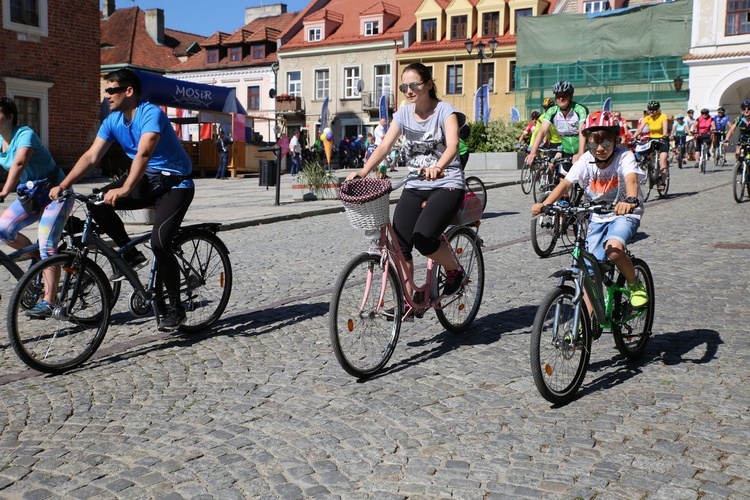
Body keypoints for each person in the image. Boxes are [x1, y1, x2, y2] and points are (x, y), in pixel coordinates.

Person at [49, 68, 195, 331]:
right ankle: (130, 254)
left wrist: (126, 188)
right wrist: (64, 183)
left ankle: (176, 308)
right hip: (147, 180)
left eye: (111, 90)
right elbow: (91, 157)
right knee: (97, 203)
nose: (106, 96)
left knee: (161, 244)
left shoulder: (150, 113)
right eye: (105, 91)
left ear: (129, 91)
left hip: (175, 184)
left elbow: (145, 151)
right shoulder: (112, 121)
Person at [347, 62, 466, 297]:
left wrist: (438, 166)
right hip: (415, 184)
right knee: (399, 244)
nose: (409, 91)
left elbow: (453, 144)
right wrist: (364, 170)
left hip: (446, 183)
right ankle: (410, 298)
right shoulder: (402, 115)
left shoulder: (445, 112)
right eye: (404, 86)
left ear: (429, 84)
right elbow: (384, 146)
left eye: (414, 85)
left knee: (423, 238)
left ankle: (455, 269)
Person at [531, 110, 648, 308]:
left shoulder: (624, 157)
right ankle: (584, 328)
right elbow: (566, 184)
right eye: (594, 144)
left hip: (624, 214)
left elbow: (631, 180)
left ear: (616, 141)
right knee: (590, 271)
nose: (600, 148)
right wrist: (545, 204)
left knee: (614, 250)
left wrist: (629, 200)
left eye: (606, 143)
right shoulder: (586, 159)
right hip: (598, 216)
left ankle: (634, 283)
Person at [0, 97, 75, 318]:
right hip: (32, 196)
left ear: (10, 116)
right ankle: (42, 260)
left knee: (47, 243)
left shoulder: (25, 134)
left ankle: (49, 301)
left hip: (56, 193)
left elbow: (20, 162)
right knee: (4, 230)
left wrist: (4, 192)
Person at [526, 81, 588, 175]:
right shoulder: (552, 111)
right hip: (566, 151)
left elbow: (582, 132)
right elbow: (542, 131)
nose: (561, 98)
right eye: (558, 96)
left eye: (564, 96)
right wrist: (533, 152)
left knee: (583, 183)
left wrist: (580, 152)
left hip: (582, 149)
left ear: (571, 96)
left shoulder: (579, 109)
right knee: (563, 182)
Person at [632, 101, 669, 186]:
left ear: (658, 109)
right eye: (650, 109)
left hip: (662, 139)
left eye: (654, 110)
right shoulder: (647, 118)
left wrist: (664, 136)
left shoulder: (663, 116)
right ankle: (651, 169)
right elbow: (639, 129)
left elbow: (665, 128)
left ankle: (663, 182)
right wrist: (633, 137)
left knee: (662, 161)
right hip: (652, 139)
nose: (651, 111)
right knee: (647, 156)